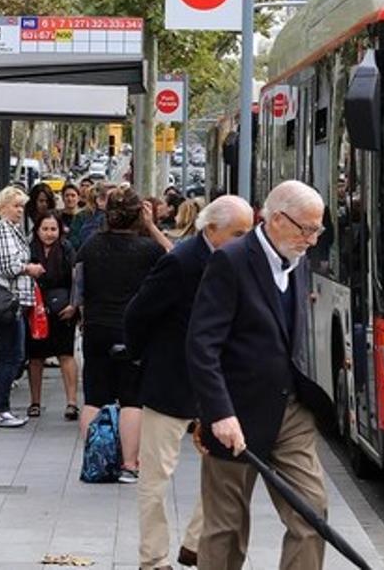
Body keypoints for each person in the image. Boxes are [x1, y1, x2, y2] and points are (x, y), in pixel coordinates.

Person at [186, 180, 332, 570]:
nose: (313, 239)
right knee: (226, 528)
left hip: (290, 411)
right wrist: (219, 413)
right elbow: (202, 344)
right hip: (238, 414)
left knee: (311, 514)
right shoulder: (231, 261)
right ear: (277, 219)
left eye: (318, 229)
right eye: (307, 229)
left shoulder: (296, 259)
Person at [126, 195, 254, 570]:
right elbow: (138, 312)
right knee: (156, 476)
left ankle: (195, 543)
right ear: (211, 229)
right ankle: (153, 559)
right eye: (239, 233)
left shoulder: (239, 263)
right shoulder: (180, 262)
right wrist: (141, 358)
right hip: (171, 382)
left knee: (223, 471)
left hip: (215, 386)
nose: (245, 240)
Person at [76, 187, 166, 484]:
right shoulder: (148, 249)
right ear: (139, 214)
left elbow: (79, 284)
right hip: (133, 329)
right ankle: (129, 464)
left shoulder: (90, 245)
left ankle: (94, 459)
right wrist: (152, 227)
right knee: (131, 398)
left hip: (96, 327)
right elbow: (177, 258)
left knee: (94, 394)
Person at [0, 186, 45, 428]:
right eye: (16, 206)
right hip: (5, 300)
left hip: (6, 299)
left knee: (10, 353)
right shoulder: (1, 228)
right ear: (2, 206)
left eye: (22, 206)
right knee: (13, 355)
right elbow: (7, 265)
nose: (20, 211)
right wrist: (30, 268)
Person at [24, 211, 80, 420]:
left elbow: (77, 279)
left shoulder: (66, 249)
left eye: (53, 229)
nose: (49, 234)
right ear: (37, 230)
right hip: (35, 310)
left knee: (66, 354)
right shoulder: (29, 249)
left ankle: (72, 402)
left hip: (63, 310)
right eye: (45, 229)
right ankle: (35, 401)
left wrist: (74, 305)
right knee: (35, 357)